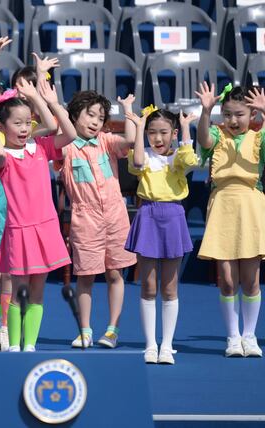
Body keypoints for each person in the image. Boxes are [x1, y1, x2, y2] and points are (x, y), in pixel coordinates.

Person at [0, 78, 77, 352]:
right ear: (2, 126)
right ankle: (13, 344)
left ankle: (29, 344)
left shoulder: (41, 147)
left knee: (37, 292)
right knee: (17, 292)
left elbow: (67, 133)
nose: (24, 128)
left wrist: (47, 101)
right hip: (18, 231)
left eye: (27, 122)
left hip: (44, 229)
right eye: (17, 123)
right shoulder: (4, 158)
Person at [62, 90, 138, 349]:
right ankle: (84, 330)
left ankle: (112, 330)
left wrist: (127, 109)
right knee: (85, 277)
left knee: (115, 273)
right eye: (89, 115)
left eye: (100, 117)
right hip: (85, 220)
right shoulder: (66, 147)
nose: (95, 121)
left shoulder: (106, 141)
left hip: (116, 217)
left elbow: (129, 139)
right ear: (74, 116)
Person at [195, 82, 265, 358]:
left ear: (252, 115)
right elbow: (203, 141)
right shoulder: (216, 132)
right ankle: (233, 337)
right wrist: (205, 111)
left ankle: (250, 336)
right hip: (222, 204)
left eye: (240, 114)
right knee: (226, 279)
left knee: (250, 280)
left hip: (250, 205)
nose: (233, 121)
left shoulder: (259, 137)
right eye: (228, 115)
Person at [125, 107, 199, 364]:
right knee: (148, 285)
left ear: (174, 133)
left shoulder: (179, 156)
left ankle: (166, 345)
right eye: (152, 133)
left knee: (169, 287)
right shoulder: (143, 156)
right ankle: (150, 345)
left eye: (164, 132)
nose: (157, 138)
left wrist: (187, 128)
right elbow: (135, 164)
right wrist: (137, 125)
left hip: (174, 217)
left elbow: (191, 161)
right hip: (147, 216)